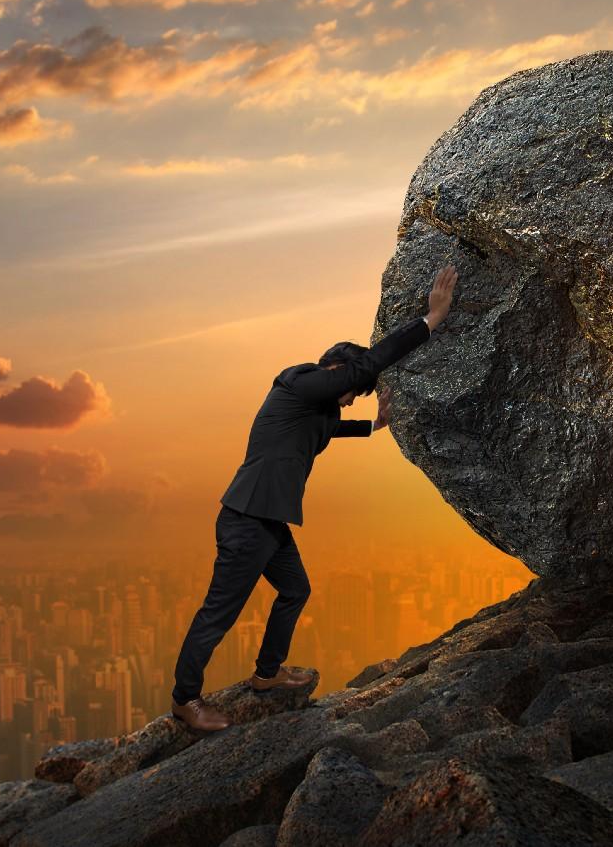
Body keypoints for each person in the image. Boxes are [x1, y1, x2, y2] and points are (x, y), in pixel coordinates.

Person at [169, 263, 460, 732]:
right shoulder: (298, 381)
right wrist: (431, 320)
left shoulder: (313, 410)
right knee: (219, 614)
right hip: (247, 520)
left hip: (267, 522)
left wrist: (371, 426)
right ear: (334, 371)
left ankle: (266, 674)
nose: (349, 400)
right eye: (351, 392)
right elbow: (366, 366)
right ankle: (185, 700)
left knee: (296, 589)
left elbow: (327, 429)